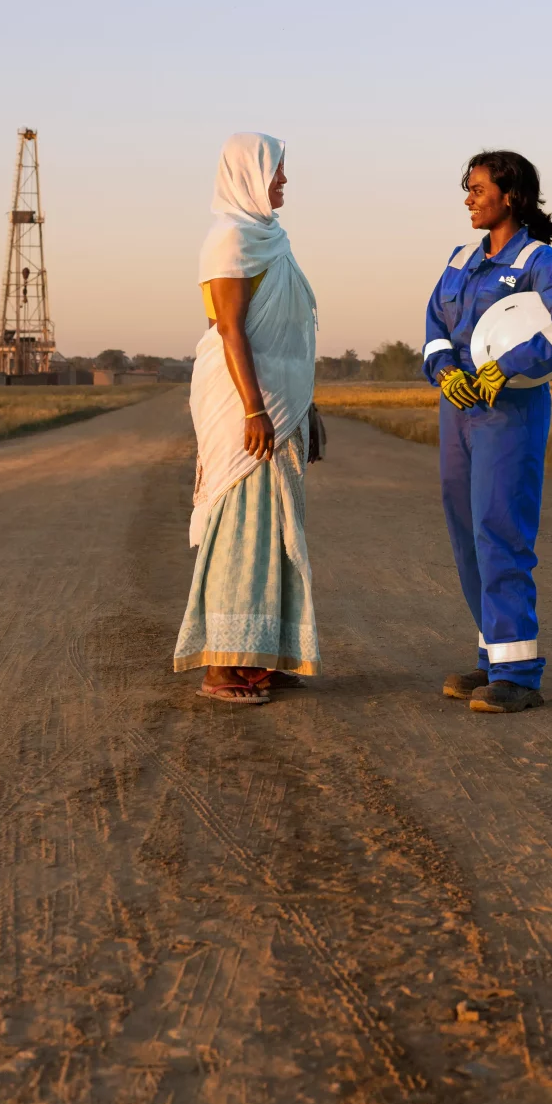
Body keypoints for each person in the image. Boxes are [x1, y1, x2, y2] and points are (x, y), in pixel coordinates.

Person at [423, 150, 552, 713]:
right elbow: (435, 327)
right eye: (466, 188)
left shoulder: (541, 261)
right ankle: (493, 657)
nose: (468, 198)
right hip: (459, 411)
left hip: (509, 412)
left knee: (500, 531)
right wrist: (445, 372)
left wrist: (512, 364)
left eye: (477, 188)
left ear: (511, 196)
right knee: (466, 533)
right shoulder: (459, 260)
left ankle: (519, 674)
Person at [174, 132, 321, 704]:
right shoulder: (229, 240)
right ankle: (223, 664)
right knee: (243, 523)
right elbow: (232, 329)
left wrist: (307, 402)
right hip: (244, 403)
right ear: (246, 174)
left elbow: (292, 337)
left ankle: (262, 653)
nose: (282, 182)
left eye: (282, 172)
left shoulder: (272, 240)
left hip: (281, 402)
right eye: (275, 172)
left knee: (279, 524)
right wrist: (256, 408)